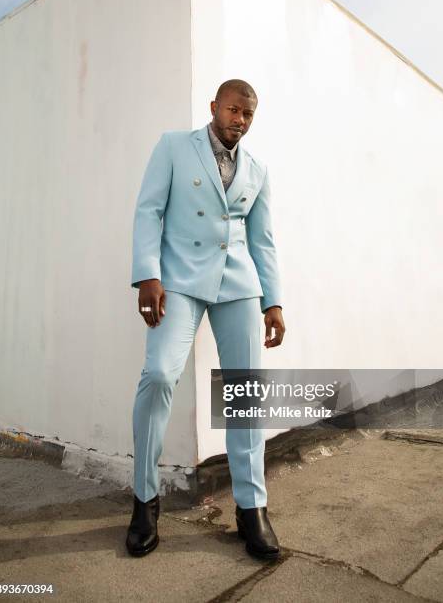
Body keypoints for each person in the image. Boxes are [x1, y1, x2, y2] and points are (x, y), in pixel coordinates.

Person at [126, 79, 286, 560]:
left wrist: (272, 301)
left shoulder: (256, 169)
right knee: (158, 375)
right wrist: (147, 276)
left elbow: (262, 241)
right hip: (177, 280)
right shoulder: (175, 146)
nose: (240, 119)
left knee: (243, 391)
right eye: (234, 109)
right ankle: (145, 499)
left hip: (237, 284)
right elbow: (149, 211)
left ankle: (251, 507)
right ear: (214, 106)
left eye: (248, 115)